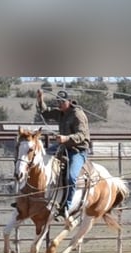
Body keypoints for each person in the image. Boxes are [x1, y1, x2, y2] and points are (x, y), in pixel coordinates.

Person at [36, 89, 91, 221]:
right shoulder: (61, 112)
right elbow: (45, 112)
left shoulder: (78, 115)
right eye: (58, 102)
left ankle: (66, 206)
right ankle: (35, 198)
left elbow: (82, 135)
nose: (59, 104)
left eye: (61, 102)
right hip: (63, 147)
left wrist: (66, 138)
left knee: (71, 177)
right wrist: (40, 98)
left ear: (69, 101)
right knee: (40, 159)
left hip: (77, 150)